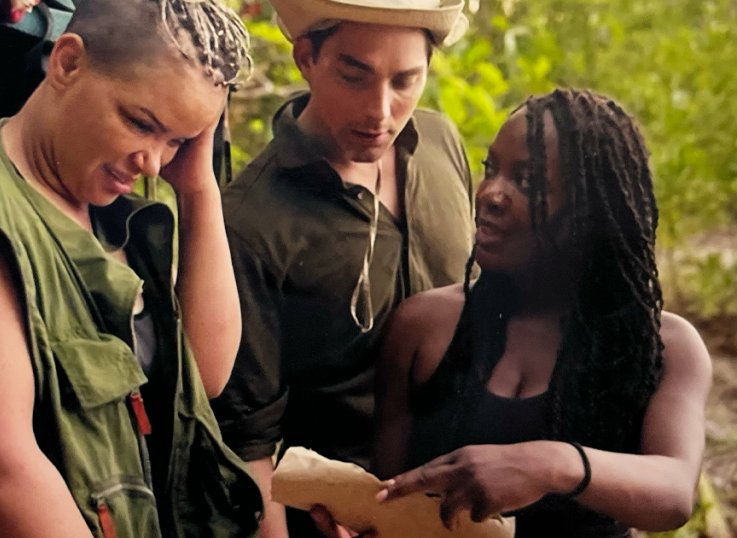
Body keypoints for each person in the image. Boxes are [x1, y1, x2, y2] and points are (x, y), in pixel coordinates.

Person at [0, 0, 264, 536]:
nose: (153, 162)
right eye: (140, 122)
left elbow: (204, 378)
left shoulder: (104, 207)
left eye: (175, 140)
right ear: (68, 62)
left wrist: (198, 191)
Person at [369, 89, 712, 537]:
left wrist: (551, 464)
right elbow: (387, 503)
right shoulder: (424, 325)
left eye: (527, 182)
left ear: (591, 213)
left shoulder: (661, 347)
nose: (491, 194)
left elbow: (674, 493)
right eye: (491, 169)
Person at [210, 1, 476, 536]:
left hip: (471, 506)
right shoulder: (248, 222)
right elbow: (249, 442)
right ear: (306, 57)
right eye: (355, 76)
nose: (380, 111)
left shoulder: (440, 141)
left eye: (405, 81)